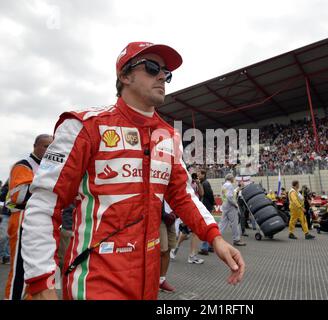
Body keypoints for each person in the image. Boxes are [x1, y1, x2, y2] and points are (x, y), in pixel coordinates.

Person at [20, 42, 245, 300]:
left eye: (167, 73)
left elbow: (183, 196)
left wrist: (215, 237)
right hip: (95, 282)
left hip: (146, 284)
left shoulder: (168, 137)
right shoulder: (83, 126)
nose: (162, 76)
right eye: (152, 68)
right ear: (125, 76)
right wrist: (40, 281)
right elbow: (44, 204)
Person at [4, 134, 53, 300]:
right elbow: (18, 196)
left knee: (36, 270)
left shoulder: (48, 166)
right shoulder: (24, 165)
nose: (48, 150)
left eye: (51, 146)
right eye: (45, 146)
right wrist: (48, 187)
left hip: (43, 221)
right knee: (20, 271)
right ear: (35, 146)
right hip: (22, 220)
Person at [219, 174, 246, 246]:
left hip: (225, 206)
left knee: (222, 224)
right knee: (234, 223)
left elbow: (230, 193)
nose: (234, 179)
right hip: (231, 207)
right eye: (233, 178)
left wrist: (238, 188)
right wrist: (235, 204)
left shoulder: (224, 185)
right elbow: (230, 196)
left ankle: (216, 237)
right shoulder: (230, 185)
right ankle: (236, 239)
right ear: (231, 178)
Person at [159, 201, 177, 293]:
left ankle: (162, 280)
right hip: (160, 218)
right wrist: (165, 215)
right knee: (162, 250)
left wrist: (175, 214)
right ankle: (155, 280)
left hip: (172, 218)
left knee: (169, 248)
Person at [197, 169, 216, 255]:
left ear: (203, 174)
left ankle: (205, 248)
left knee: (205, 226)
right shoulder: (204, 183)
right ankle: (209, 246)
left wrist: (213, 203)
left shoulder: (205, 183)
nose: (197, 174)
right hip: (207, 206)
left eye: (199, 173)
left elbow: (209, 195)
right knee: (208, 225)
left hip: (206, 206)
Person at [0, 180, 11, 265]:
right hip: (6, 214)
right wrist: (5, 188)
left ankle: (6, 257)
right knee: (3, 236)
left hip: (17, 213)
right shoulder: (7, 187)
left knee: (9, 237)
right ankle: (2, 255)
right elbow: (1, 198)